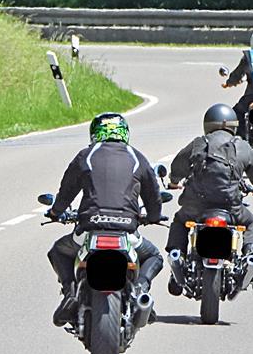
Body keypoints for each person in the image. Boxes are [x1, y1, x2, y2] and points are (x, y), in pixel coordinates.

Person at [45, 112, 165, 326]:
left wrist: (55, 212)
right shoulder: (137, 157)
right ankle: (140, 290)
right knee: (153, 256)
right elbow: (153, 194)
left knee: (59, 251)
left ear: (94, 133)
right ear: (125, 133)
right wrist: (154, 217)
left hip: (90, 227)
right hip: (127, 231)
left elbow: (67, 190)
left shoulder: (86, 156)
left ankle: (70, 293)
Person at [164, 104, 253, 294]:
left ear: (208, 124)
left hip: (196, 206)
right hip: (230, 207)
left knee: (180, 221)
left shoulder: (200, 143)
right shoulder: (241, 146)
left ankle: (177, 256)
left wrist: (173, 182)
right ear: (233, 125)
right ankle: (249, 256)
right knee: (252, 223)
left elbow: (178, 164)